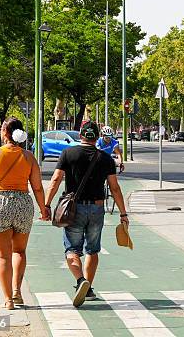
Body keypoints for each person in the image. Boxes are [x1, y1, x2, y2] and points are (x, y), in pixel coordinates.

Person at [44, 121, 129, 308]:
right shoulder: (105, 159)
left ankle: (80, 280)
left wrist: (47, 204)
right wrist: (123, 213)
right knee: (93, 249)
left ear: (81, 135)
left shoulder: (68, 153)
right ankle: (88, 288)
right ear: (97, 137)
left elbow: (56, 179)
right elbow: (114, 188)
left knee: (72, 250)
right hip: (97, 209)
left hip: (74, 209)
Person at [0, 117, 49, 310]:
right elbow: (38, 188)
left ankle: (8, 300)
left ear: (5, 132)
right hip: (23, 203)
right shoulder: (28, 157)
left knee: (2, 256)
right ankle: (17, 292)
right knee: (19, 251)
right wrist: (43, 208)